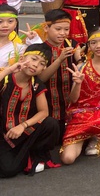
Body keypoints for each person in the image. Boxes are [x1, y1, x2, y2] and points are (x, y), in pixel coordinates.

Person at [60, 28, 100, 163]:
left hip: (98, 115)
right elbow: (73, 99)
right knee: (68, 158)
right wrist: (77, 83)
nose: (98, 46)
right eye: (94, 43)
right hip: (79, 114)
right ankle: (84, 137)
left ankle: (95, 137)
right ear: (89, 45)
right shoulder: (82, 67)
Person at [0, 44, 60, 177]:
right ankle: (25, 156)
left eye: (41, 63)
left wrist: (22, 126)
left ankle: (36, 155)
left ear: (43, 69)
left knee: (51, 124)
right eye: (33, 59)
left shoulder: (36, 84)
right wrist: (9, 70)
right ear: (22, 58)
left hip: (25, 132)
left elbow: (43, 112)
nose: (35, 65)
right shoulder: (6, 78)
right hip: (4, 134)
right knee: (7, 170)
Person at [37, 9, 80, 134]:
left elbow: (80, 62)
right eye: (58, 29)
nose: (63, 33)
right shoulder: (39, 50)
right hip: (48, 106)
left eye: (66, 29)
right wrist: (60, 59)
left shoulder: (72, 45)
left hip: (70, 105)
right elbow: (41, 79)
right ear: (46, 28)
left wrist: (80, 61)